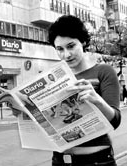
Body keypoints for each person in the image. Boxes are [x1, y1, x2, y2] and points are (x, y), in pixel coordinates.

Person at [48, 15, 121, 166]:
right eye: (59, 49)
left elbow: (115, 121)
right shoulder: (54, 78)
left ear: (83, 42)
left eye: (71, 46)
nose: (66, 55)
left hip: (96, 160)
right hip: (60, 160)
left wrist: (97, 100)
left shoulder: (104, 71)